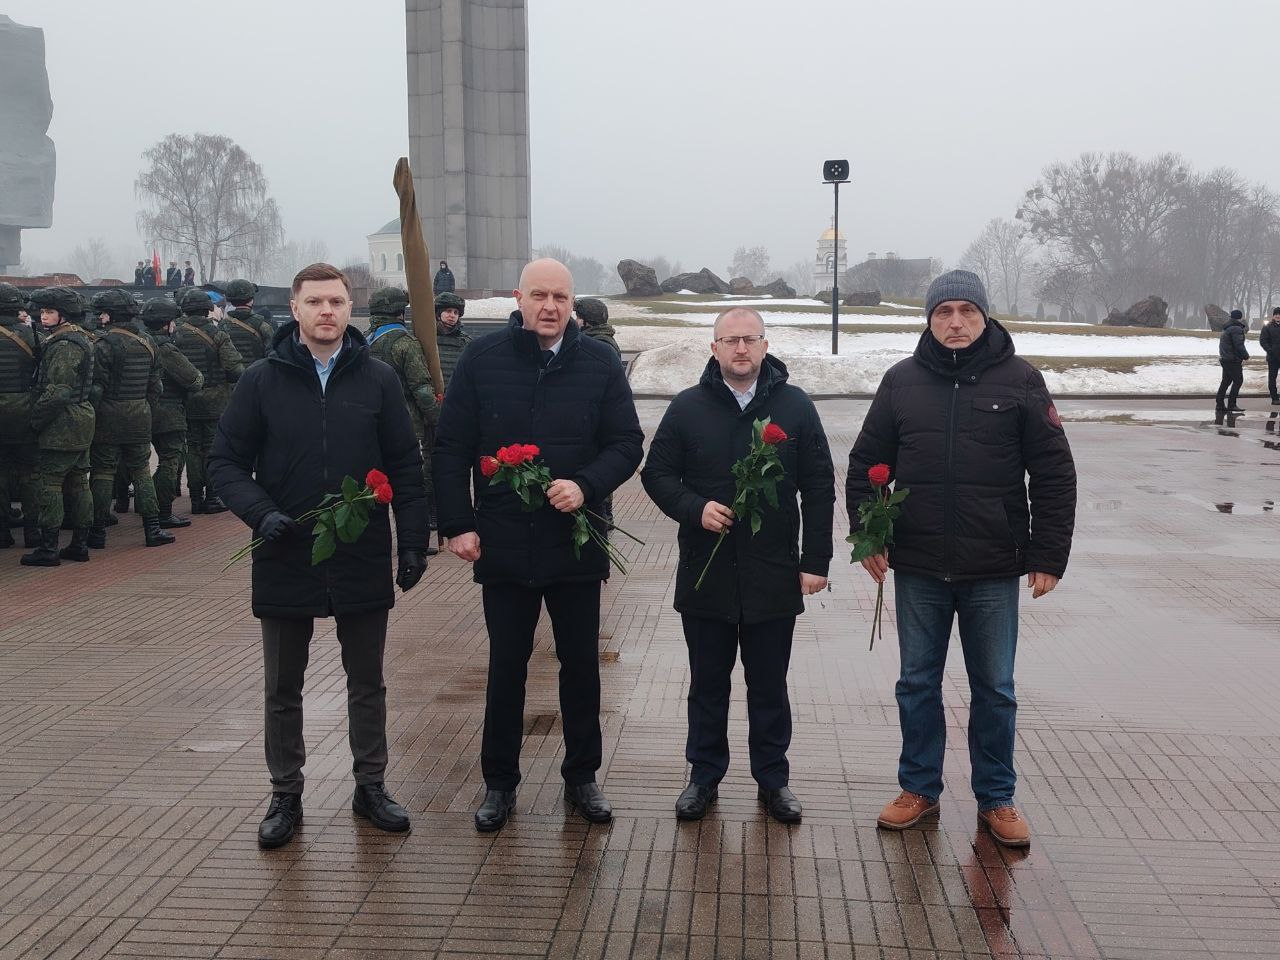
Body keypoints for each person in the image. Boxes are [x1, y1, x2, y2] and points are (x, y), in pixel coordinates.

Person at [846, 270, 1076, 849]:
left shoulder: (1021, 380)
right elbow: (865, 465)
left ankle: (996, 797)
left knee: (995, 688)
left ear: (984, 316)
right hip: (919, 566)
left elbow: (1054, 474)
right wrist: (870, 536)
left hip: (992, 567)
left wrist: (1048, 555)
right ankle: (918, 788)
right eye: (944, 311)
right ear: (929, 318)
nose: (955, 322)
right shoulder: (901, 382)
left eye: (967, 311)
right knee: (916, 683)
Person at [208, 262, 429, 850]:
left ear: (350, 308)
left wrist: (411, 541)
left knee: (367, 681)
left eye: (336, 301)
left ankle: (371, 786)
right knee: (283, 686)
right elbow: (224, 463)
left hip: (360, 551)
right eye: (315, 302)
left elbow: (406, 466)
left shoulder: (379, 379)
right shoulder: (261, 380)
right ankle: (285, 793)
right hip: (285, 550)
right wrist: (261, 513)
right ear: (296, 309)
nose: (326, 311)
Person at [434, 258, 644, 832]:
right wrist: (458, 523)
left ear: (572, 303)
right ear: (519, 297)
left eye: (560, 297)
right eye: (539, 295)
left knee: (580, 665)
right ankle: (499, 783)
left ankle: (582, 777)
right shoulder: (482, 358)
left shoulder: (599, 361)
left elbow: (627, 443)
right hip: (503, 542)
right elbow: (451, 447)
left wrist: (586, 485)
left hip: (575, 542)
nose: (550, 306)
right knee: (507, 666)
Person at [641, 306, 834, 823]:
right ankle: (703, 776)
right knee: (708, 684)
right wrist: (694, 508)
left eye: (750, 339)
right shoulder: (688, 407)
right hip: (706, 572)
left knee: (769, 686)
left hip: (772, 573)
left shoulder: (795, 407)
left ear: (766, 346)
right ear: (714, 348)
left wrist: (815, 559)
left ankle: (773, 780)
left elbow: (819, 485)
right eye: (731, 340)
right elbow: (656, 474)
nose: (741, 348)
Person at [86, 289, 173, 549]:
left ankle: (97, 532)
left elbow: (96, 389)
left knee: (103, 473)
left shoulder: (103, 344)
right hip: (140, 415)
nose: (100, 317)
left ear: (111, 315)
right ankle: (153, 529)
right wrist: (143, 407)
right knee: (141, 471)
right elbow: (156, 386)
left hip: (108, 417)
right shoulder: (148, 342)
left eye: (103, 313)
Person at [20, 287, 96, 567]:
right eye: (42, 311)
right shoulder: (78, 338)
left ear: (64, 315)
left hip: (63, 422)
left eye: (49, 311)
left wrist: (35, 420)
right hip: (80, 418)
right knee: (79, 482)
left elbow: (59, 392)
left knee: (51, 484)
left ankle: (49, 547)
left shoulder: (64, 345)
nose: (43, 316)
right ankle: (79, 544)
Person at [367, 287, 440, 556]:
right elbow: (421, 389)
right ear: (400, 312)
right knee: (408, 486)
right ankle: (413, 542)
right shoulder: (406, 343)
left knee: (374, 484)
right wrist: (438, 419)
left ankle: (373, 541)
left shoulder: (363, 341)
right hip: (406, 424)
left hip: (370, 424)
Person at [172, 289, 243, 513]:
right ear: (207, 309)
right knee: (212, 448)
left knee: (193, 447)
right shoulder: (218, 333)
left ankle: (195, 498)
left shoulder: (176, 334)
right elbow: (234, 368)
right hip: (215, 400)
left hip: (186, 399)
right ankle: (212, 497)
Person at [140, 297, 202, 528]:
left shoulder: (139, 342)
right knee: (169, 461)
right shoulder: (166, 349)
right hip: (168, 414)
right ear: (167, 324)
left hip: (141, 411)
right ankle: (163, 513)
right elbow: (194, 379)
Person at [0, 283, 39, 550]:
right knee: (30, 474)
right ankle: (32, 531)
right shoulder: (32, 335)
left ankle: (2, 532)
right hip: (26, 412)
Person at [222, 279, 275, 365]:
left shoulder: (222, 326)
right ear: (251, 300)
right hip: (257, 372)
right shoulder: (262, 326)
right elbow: (272, 355)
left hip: (230, 373)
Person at [434, 292, 471, 392]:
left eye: (456, 312)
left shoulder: (466, 342)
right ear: (438, 314)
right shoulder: (427, 338)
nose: (452, 316)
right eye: (448, 311)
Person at [1216, 308, 1250, 414]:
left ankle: (1219, 404)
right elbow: (1239, 345)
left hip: (1226, 358)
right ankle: (1232, 404)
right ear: (1240, 318)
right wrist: (1246, 356)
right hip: (1233, 360)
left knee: (1226, 381)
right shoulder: (1236, 329)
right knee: (1238, 381)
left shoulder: (1227, 327)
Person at [1260, 307, 1280, 405]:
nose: (1278, 316)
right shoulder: (1267, 327)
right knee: (1272, 378)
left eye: (1279, 314)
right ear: (1273, 315)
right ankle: (1274, 398)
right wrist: (1270, 350)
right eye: (1276, 314)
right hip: (1273, 357)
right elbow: (1263, 341)